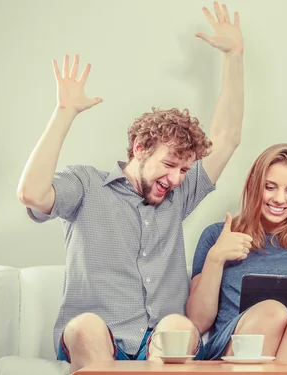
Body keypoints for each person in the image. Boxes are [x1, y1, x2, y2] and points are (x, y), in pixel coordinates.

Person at [16, 2, 244, 372]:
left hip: (158, 339)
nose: (177, 179)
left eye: (185, 169)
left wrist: (235, 56)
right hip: (100, 339)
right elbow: (32, 194)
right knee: (86, 326)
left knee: (178, 327)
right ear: (139, 149)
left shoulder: (178, 194)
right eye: (169, 165)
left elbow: (227, 137)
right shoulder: (86, 185)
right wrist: (65, 113)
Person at [186, 144, 287, 361]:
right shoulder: (217, 235)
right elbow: (198, 321)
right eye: (269, 187)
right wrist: (216, 257)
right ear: (253, 183)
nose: (280, 199)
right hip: (232, 348)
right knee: (272, 311)